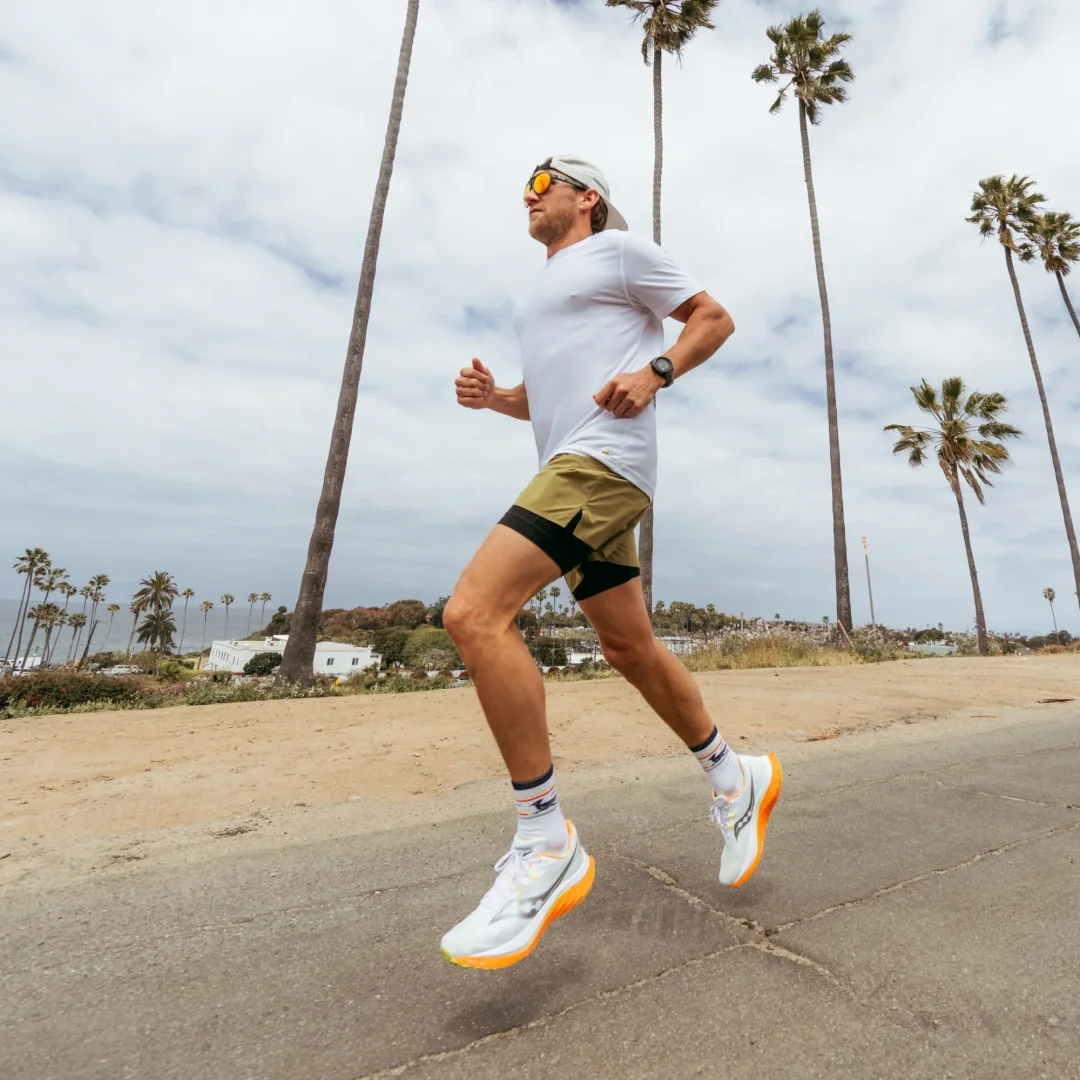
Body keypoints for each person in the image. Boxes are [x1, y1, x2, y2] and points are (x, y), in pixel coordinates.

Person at [440, 155, 782, 970]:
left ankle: (545, 839)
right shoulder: (539, 292)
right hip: (574, 462)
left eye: (541, 183)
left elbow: (713, 318)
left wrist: (656, 372)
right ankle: (736, 777)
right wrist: (497, 398)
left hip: (600, 465)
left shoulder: (619, 252)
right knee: (628, 647)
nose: (528, 197)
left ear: (586, 196)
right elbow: (548, 394)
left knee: (474, 614)